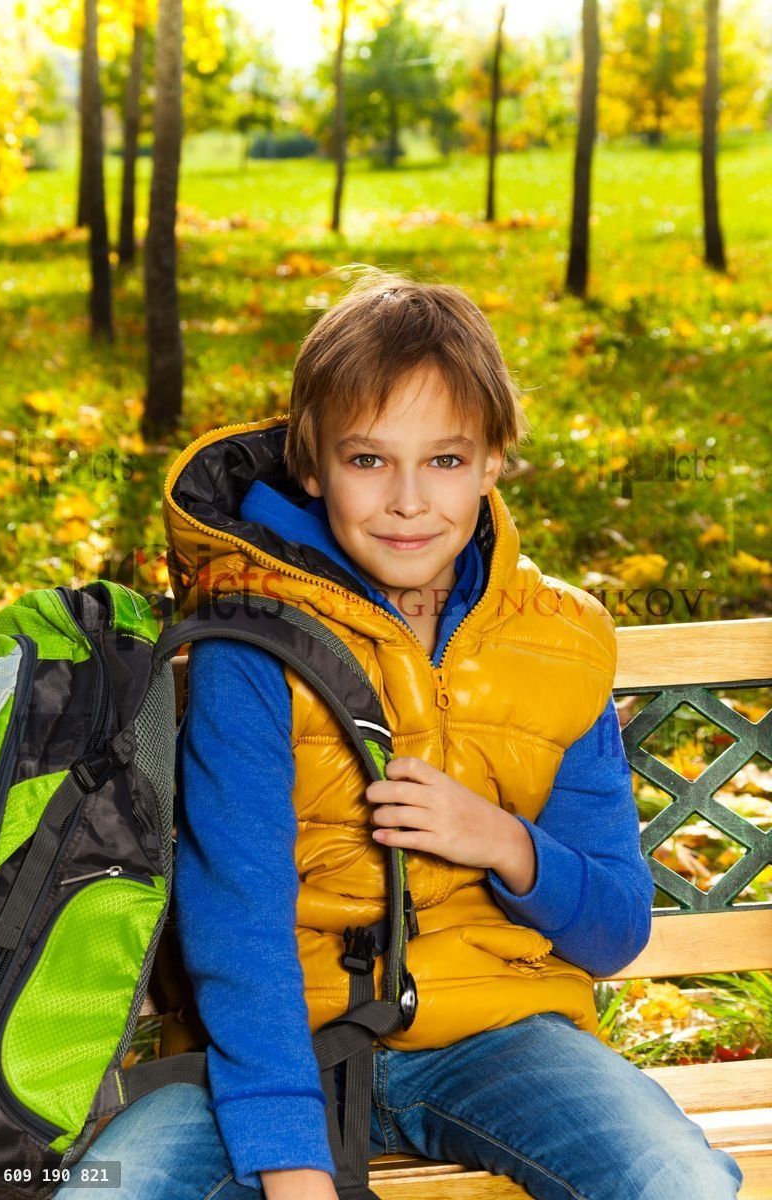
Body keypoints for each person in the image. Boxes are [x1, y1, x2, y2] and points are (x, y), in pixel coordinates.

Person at [55, 269, 743, 1200]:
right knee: (108, 1189)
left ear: (495, 459)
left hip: (497, 1036)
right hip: (271, 1051)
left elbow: (615, 931)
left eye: (447, 460)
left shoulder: (562, 641)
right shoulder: (254, 639)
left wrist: (501, 840)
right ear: (311, 464)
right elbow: (238, 919)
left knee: (679, 1183)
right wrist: (291, 1162)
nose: (409, 501)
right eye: (369, 460)